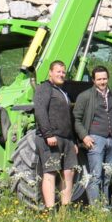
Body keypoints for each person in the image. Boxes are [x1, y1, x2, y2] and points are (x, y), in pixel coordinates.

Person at [74, 65, 112, 206]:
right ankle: (96, 209)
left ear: (108, 78)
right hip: (95, 140)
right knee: (96, 176)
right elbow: (76, 119)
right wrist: (84, 136)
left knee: (108, 176)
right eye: (99, 79)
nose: (102, 82)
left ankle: (105, 207)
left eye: (104, 78)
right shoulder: (85, 96)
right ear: (93, 80)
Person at [33, 60, 78, 209]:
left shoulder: (62, 92)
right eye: (58, 71)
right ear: (50, 73)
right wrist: (48, 134)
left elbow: (68, 118)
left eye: (63, 72)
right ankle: (50, 209)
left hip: (66, 139)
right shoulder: (44, 88)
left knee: (69, 172)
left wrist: (73, 141)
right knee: (51, 172)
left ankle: (65, 207)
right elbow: (40, 111)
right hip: (51, 137)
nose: (61, 74)